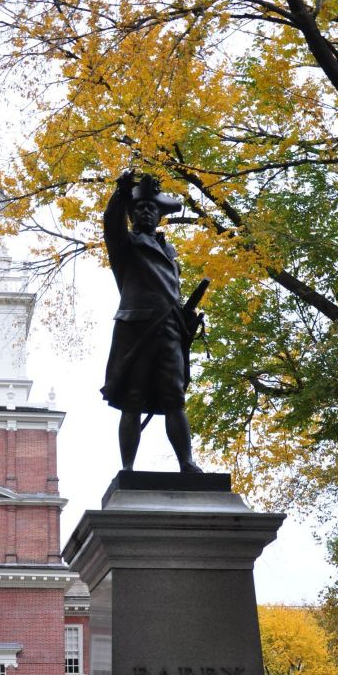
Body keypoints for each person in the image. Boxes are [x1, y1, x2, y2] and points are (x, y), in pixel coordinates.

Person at [101, 170, 203, 473]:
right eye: (140, 208)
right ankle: (128, 469)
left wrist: (185, 318)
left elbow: (170, 293)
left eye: (152, 208)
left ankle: (186, 463)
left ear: (160, 216)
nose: (146, 212)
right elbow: (111, 224)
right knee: (132, 398)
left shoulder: (170, 253)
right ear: (131, 215)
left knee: (175, 397)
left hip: (170, 329)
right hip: (137, 330)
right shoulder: (125, 245)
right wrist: (121, 194)